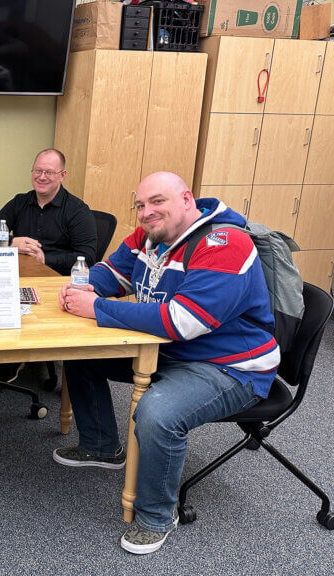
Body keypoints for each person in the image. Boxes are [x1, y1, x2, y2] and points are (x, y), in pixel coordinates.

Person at [54, 171, 279, 555]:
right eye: (140, 204)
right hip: (168, 350)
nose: (146, 212)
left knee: (157, 413)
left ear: (187, 199)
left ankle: (158, 516)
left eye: (157, 201)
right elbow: (114, 272)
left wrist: (98, 308)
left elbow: (183, 321)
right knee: (82, 354)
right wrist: (84, 284)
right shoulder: (150, 235)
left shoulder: (224, 243)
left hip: (229, 365)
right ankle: (102, 447)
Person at [0, 149, 97, 275]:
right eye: (38, 171)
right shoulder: (20, 202)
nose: (42, 177)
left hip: (56, 280)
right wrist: (12, 242)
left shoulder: (77, 210)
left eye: (49, 172)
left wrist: (45, 259)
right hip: (21, 273)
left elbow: (87, 257)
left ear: (62, 176)